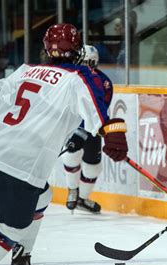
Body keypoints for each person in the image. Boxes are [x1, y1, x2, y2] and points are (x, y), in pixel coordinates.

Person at [0, 23, 128, 265]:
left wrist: (0, 130)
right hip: (22, 163)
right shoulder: (78, 76)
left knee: (42, 196)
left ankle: (21, 262)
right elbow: (97, 111)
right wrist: (113, 133)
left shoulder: (25, 70)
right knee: (12, 228)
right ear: (78, 49)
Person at [63, 45, 113, 214]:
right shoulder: (71, 78)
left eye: (86, 62)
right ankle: (72, 190)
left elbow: (100, 109)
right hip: (74, 126)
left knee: (93, 167)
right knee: (71, 155)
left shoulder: (104, 82)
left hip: (92, 129)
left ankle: (82, 199)